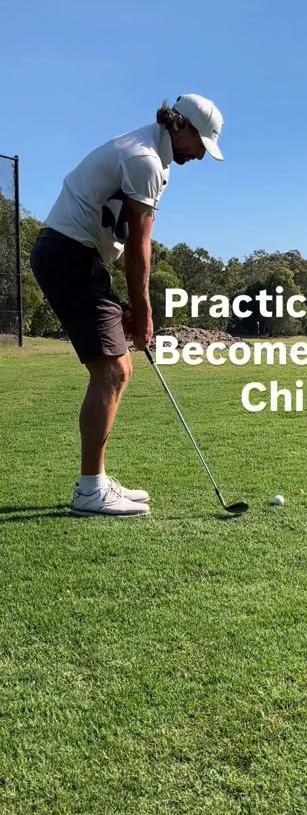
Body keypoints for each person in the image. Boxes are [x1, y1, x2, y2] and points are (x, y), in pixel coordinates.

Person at [30, 94, 224, 518]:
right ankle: (90, 490)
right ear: (180, 126)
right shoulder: (145, 160)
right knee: (113, 369)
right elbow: (139, 248)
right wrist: (146, 311)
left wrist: (130, 306)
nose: (200, 157)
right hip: (68, 255)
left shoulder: (154, 156)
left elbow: (115, 241)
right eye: (200, 145)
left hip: (80, 258)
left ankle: (95, 481)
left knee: (120, 369)